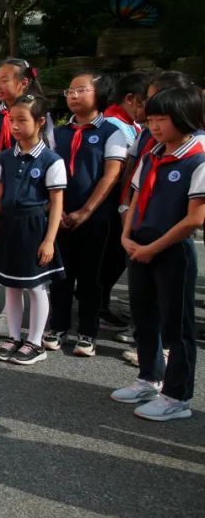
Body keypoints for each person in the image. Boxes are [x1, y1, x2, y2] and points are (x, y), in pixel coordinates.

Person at [111, 85, 205, 421]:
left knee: (177, 326)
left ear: (184, 117)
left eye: (162, 119)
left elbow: (195, 218)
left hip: (172, 251)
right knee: (144, 315)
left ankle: (177, 396)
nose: (154, 126)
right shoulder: (152, 153)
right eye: (150, 119)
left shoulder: (198, 159)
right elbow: (136, 197)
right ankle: (149, 378)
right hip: (139, 245)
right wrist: (126, 235)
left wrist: (152, 248)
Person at [45, 72, 128, 357]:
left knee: (91, 277)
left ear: (100, 95)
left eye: (81, 90)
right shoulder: (58, 133)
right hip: (60, 215)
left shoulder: (112, 132)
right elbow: (48, 171)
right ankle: (58, 326)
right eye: (70, 91)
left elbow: (111, 175)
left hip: (95, 218)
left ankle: (87, 332)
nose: (73, 95)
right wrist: (57, 210)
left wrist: (85, 211)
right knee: (60, 275)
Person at [0, 58, 54, 337]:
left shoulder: (39, 114)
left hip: (24, 198)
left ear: (23, 83)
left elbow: (47, 153)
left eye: (5, 79)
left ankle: (9, 314)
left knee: (16, 254)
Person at [0, 94, 66, 365]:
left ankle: (35, 342)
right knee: (10, 285)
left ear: (40, 121)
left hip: (34, 228)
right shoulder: (4, 158)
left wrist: (49, 240)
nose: (15, 126)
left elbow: (56, 203)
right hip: (8, 227)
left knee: (36, 287)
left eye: (22, 120)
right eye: (12, 120)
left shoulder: (51, 160)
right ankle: (14, 337)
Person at [98, 72, 148, 336]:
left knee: (115, 259)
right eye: (144, 100)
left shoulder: (131, 123)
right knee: (110, 259)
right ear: (130, 99)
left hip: (124, 203)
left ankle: (101, 303)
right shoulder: (114, 124)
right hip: (113, 204)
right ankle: (99, 306)